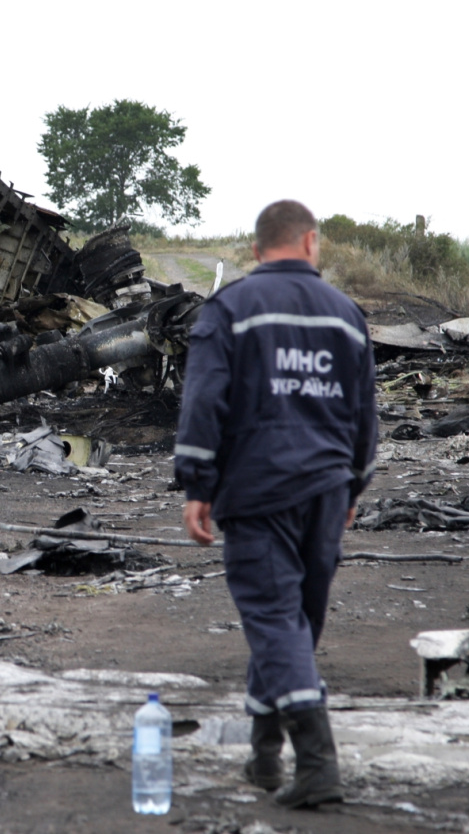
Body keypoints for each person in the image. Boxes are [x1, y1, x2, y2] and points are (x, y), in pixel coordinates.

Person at [173, 199, 377, 808]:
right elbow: (365, 414)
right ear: (311, 242)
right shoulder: (346, 315)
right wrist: (353, 486)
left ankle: (317, 766)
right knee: (293, 626)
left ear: (257, 250)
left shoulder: (231, 309)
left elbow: (203, 401)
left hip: (258, 492)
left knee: (275, 622)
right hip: (326, 492)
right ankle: (264, 756)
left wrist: (197, 484)